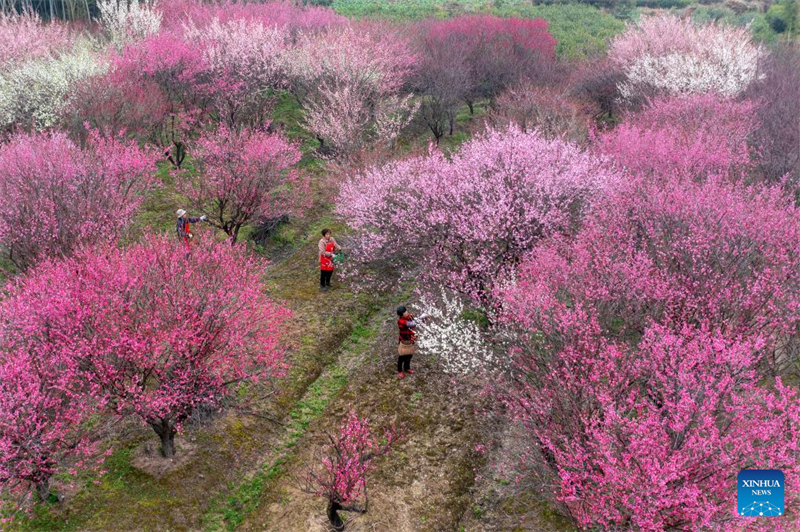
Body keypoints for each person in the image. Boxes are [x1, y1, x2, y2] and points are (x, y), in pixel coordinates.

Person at [396, 306, 427, 379]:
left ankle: (407, 368)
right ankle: (400, 370)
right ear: (401, 315)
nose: (407, 312)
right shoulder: (401, 321)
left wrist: (423, 318)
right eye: (405, 312)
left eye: (406, 311)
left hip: (410, 339)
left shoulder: (409, 317)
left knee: (409, 355)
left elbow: (415, 321)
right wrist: (421, 318)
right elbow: (411, 324)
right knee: (402, 356)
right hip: (404, 340)